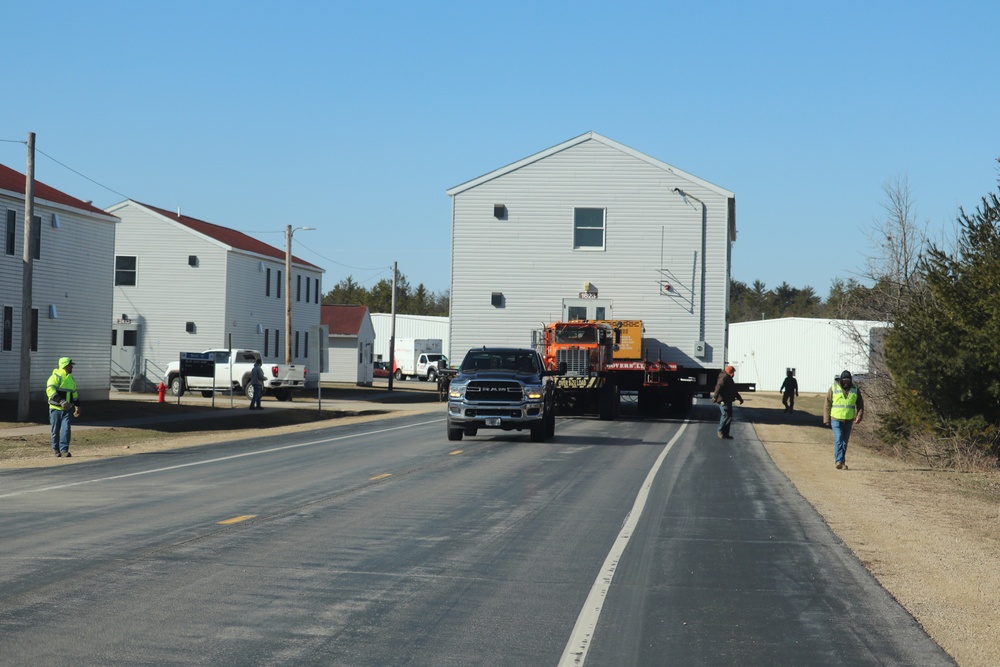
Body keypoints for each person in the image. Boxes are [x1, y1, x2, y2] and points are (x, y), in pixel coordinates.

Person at [823, 370, 865, 470]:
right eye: (844, 380)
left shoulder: (855, 389)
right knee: (839, 439)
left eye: (848, 380)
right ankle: (838, 461)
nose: (846, 382)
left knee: (845, 442)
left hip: (849, 420)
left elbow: (860, 404)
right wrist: (826, 418)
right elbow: (827, 403)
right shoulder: (834, 388)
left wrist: (859, 416)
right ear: (841, 380)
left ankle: (842, 462)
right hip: (836, 419)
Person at [46, 356, 80, 458]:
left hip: (68, 409)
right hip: (55, 408)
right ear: (65, 366)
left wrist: (77, 406)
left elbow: (74, 394)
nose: (72, 368)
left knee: (66, 429)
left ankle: (64, 450)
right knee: (55, 430)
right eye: (70, 365)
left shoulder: (71, 379)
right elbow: (50, 391)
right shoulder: (55, 377)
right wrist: (61, 401)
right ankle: (56, 450)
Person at [712, 365, 743, 439]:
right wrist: (715, 397)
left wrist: (740, 398)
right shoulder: (724, 377)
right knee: (725, 415)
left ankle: (726, 434)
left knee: (729, 417)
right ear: (729, 372)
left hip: (728, 400)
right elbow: (718, 387)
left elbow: (734, 390)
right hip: (723, 400)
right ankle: (720, 430)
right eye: (732, 372)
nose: (733, 374)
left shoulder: (729, 378)